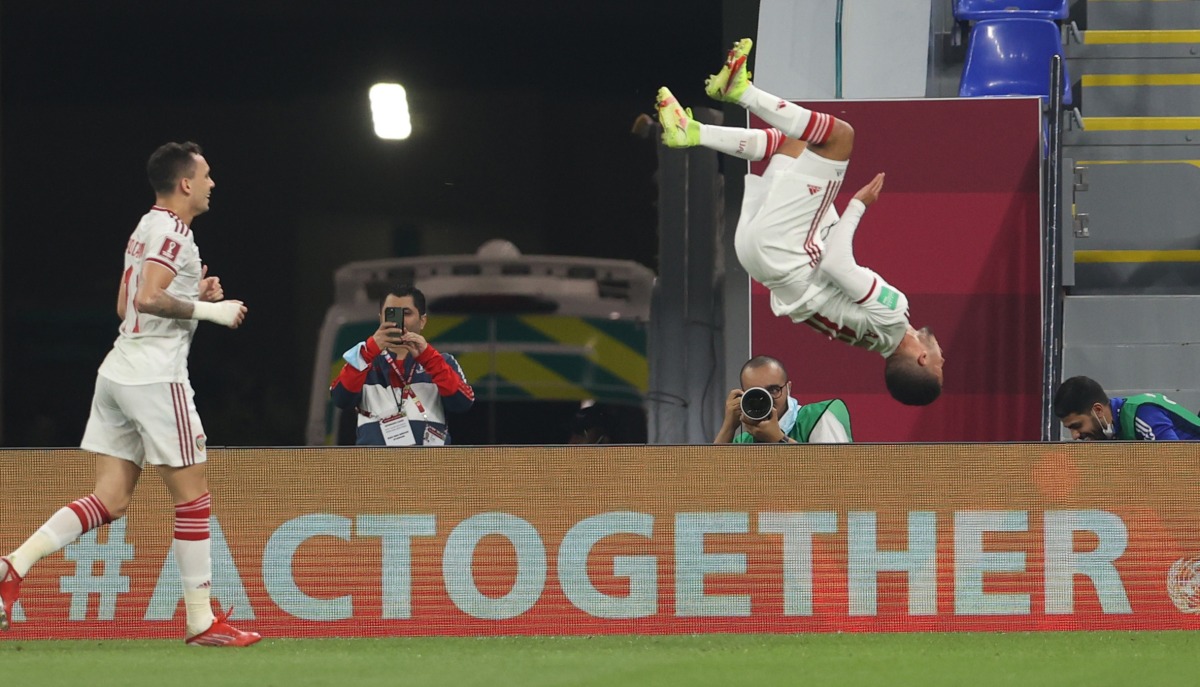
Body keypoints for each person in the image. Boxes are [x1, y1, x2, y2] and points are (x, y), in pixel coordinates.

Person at [0, 142, 260, 646]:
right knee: (193, 499)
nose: (212, 184)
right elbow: (146, 297)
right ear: (185, 183)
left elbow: (127, 308)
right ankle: (201, 621)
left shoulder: (145, 227)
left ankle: (13, 565)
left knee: (111, 500)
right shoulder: (175, 232)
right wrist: (212, 310)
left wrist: (192, 294)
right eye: (206, 175)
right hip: (155, 377)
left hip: (117, 372)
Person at [656, 38, 944, 406]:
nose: (942, 356)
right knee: (795, 142)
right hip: (760, 258)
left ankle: (738, 91)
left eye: (940, 364)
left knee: (839, 137)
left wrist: (858, 205)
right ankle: (692, 131)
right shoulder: (876, 339)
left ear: (922, 358)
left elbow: (836, 264)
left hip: (786, 250)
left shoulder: (893, 315)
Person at [330, 284, 474, 445]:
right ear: (381, 318)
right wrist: (369, 351)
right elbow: (340, 398)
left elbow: (463, 402)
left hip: (428, 460)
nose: (399, 321)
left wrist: (428, 358)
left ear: (422, 321)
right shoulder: (363, 361)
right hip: (375, 461)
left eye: (406, 313)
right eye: (391, 313)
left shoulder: (442, 362)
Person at [714, 355, 852, 444]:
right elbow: (707, 476)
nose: (766, 399)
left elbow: (837, 474)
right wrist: (728, 427)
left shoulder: (817, 417)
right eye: (756, 393)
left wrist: (779, 439)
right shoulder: (745, 441)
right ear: (743, 397)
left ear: (788, 388)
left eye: (773, 390)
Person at [1053, 375, 1200, 440]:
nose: (1075, 436)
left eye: (1077, 426)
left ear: (1098, 410)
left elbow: (1176, 466)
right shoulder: (1110, 429)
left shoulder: (1143, 414)